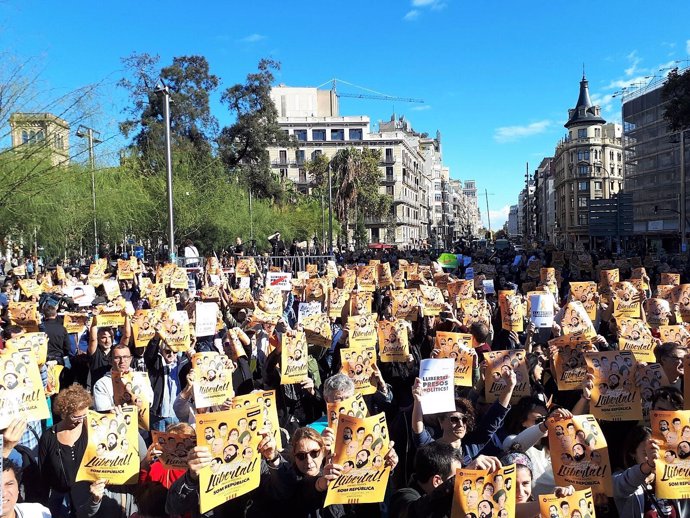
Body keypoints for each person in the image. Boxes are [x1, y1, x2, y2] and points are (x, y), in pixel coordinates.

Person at [39, 384, 93, 518]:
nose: (81, 421)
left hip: (86, 496)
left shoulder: (91, 431)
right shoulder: (48, 437)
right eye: (75, 417)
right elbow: (43, 474)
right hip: (59, 498)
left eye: (84, 416)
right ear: (64, 413)